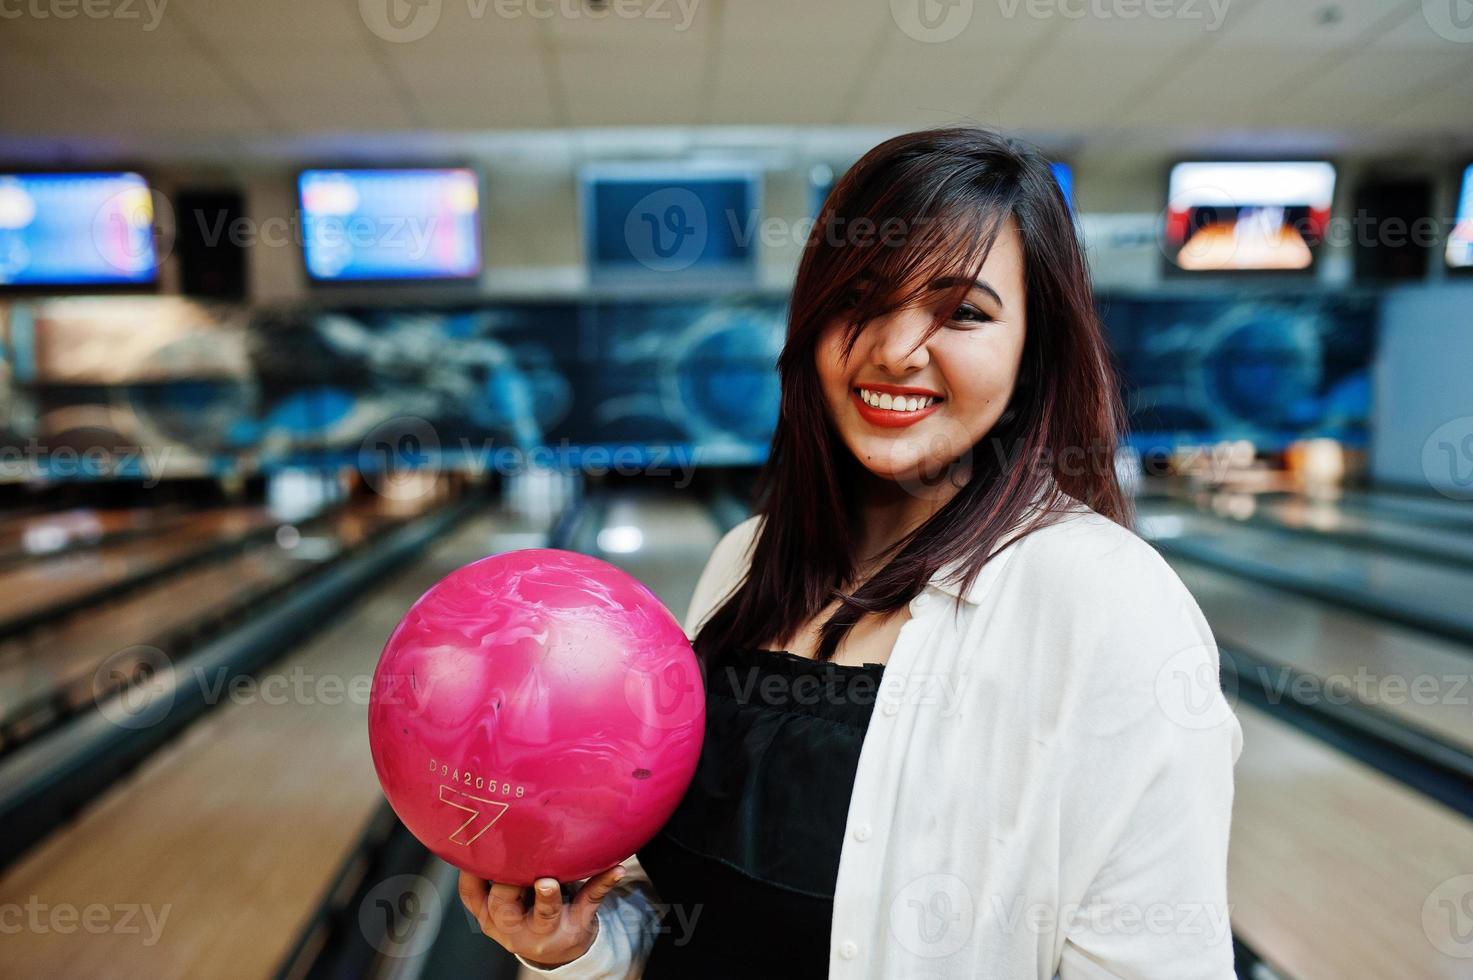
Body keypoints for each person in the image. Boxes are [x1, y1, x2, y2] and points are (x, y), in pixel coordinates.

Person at [457, 126, 1244, 979]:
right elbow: (689, 910)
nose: (896, 350)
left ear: (1034, 351)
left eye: (964, 313)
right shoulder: (743, 563)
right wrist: (576, 945)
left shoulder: (1107, 605)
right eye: (862, 298)